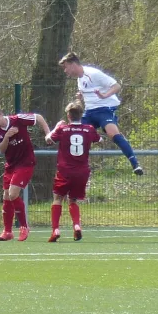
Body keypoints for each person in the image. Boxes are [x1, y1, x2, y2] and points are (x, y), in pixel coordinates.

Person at [58, 52, 143, 175]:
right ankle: (77, 168)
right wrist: (80, 97)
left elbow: (116, 86)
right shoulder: (80, 79)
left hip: (104, 109)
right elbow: (88, 93)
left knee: (112, 134)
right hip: (89, 112)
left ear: (73, 64)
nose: (65, 71)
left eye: (66, 67)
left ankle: (135, 164)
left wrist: (104, 95)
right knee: (74, 132)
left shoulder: (93, 74)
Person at [0, 104, 52, 242]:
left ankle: (24, 227)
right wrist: (7, 137)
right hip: (11, 165)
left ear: (0, 114)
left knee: (13, 193)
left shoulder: (18, 119)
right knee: (6, 197)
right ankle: (7, 231)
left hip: (26, 162)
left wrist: (48, 133)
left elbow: (38, 117)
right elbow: (1, 150)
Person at [45, 101, 102, 242]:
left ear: (68, 115)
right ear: (81, 115)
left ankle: (56, 230)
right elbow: (100, 140)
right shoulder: (89, 129)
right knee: (73, 200)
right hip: (82, 171)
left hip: (65, 170)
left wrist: (56, 127)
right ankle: (76, 226)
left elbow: (48, 140)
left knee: (57, 198)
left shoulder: (62, 129)